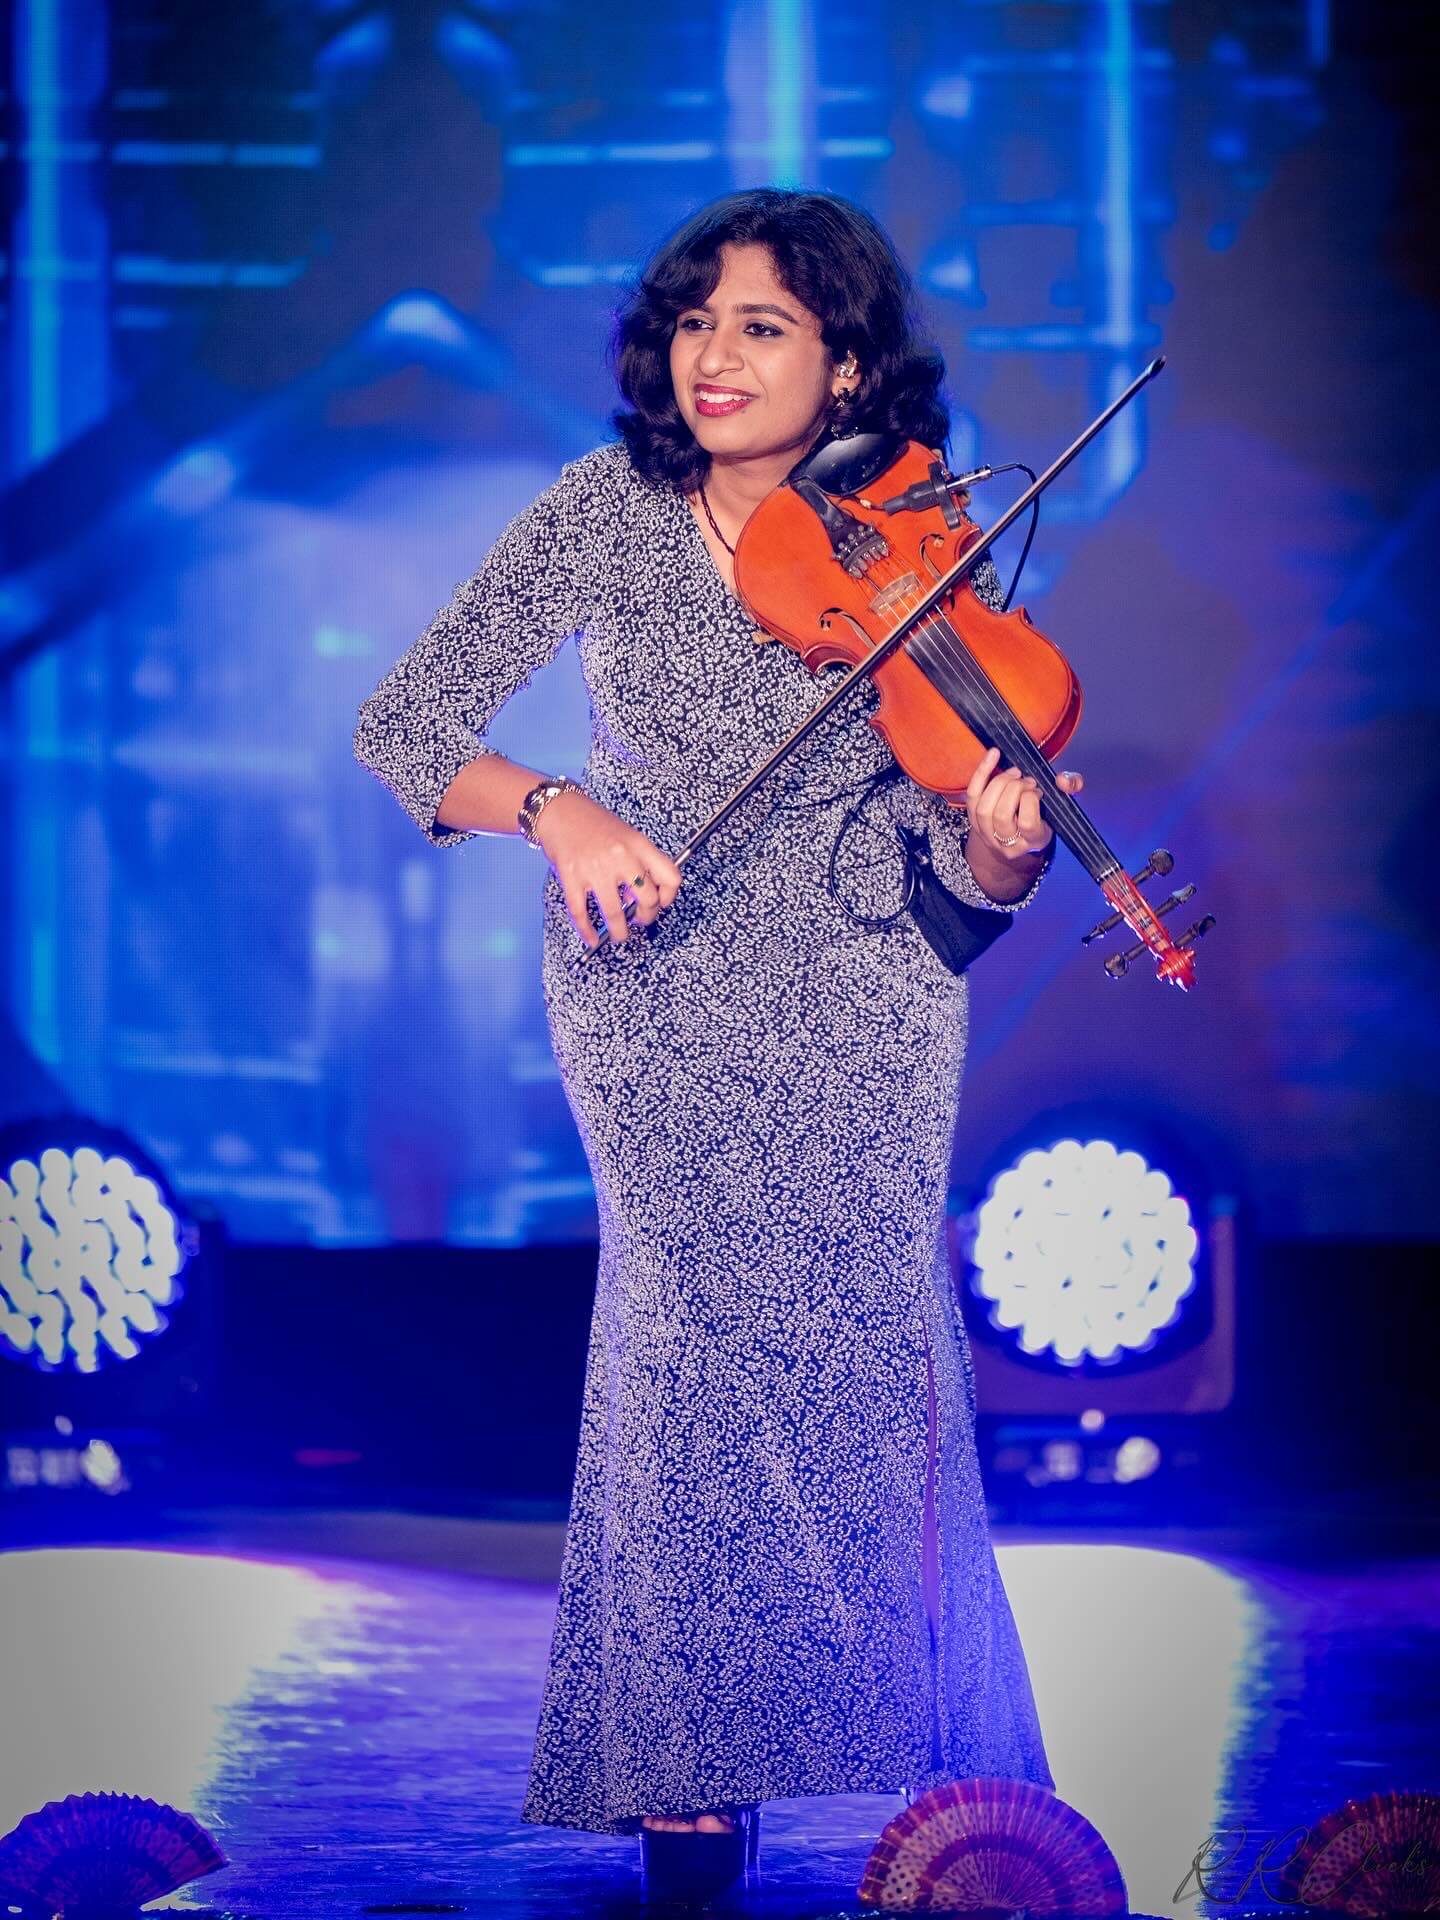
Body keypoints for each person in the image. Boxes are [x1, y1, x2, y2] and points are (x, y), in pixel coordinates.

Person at [353, 186, 1075, 1868]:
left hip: (862, 990)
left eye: (765, 325)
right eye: (697, 320)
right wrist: (556, 807)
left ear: (845, 368)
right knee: (679, 1359)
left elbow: (951, 862)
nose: (716, 356)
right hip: (650, 982)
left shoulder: (916, 526)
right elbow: (406, 725)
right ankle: (685, 1764)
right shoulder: (607, 508)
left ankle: (941, 1777)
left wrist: (1003, 840)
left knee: (867, 1361)